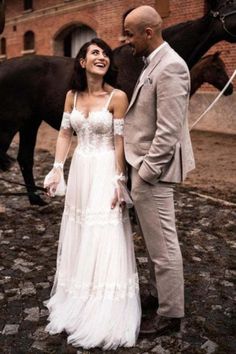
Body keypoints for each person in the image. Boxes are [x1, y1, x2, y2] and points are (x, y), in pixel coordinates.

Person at [44, 38, 141, 350]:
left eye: (105, 54)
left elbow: (119, 142)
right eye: (95, 53)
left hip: (104, 170)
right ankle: (78, 294)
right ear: (82, 62)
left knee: (106, 230)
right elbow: (64, 133)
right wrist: (57, 167)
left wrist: (118, 179)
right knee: (81, 229)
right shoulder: (71, 97)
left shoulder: (118, 97)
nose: (102, 57)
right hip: (81, 170)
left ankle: (104, 304)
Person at [123, 6, 195, 335]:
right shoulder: (154, 63)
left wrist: (147, 172)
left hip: (154, 173)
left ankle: (171, 315)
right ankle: (163, 297)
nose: (126, 41)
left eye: (129, 33)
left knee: (164, 246)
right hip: (144, 169)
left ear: (148, 33)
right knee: (155, 244)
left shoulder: (172, 67)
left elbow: (168, 131)